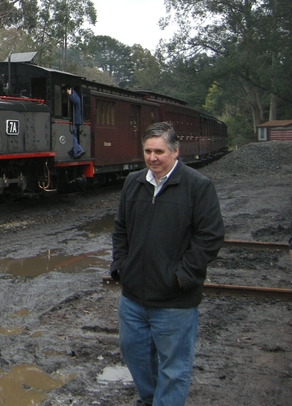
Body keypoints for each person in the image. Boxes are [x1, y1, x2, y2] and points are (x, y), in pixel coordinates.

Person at [110, 122, 224, 405]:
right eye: (148, 151)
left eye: (159, 151)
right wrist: (120, 266)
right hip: (134, 298)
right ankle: (150, 400)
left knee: (174, 368)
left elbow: (210, 238)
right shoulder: (133, 182)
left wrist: (182, 276)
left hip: (175, 301)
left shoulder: (198, 186)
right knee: (134, 355)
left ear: (175, 151)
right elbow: (120, 229)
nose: (152, 158)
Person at [65, 85, 84, 158]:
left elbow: (76, 102)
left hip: (76, 119)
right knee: (73, 136)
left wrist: (69, 94)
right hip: (76, 119)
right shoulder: (75, 94)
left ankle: (79, 149)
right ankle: (74, 151)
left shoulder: (74, 94)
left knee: (73, 136)